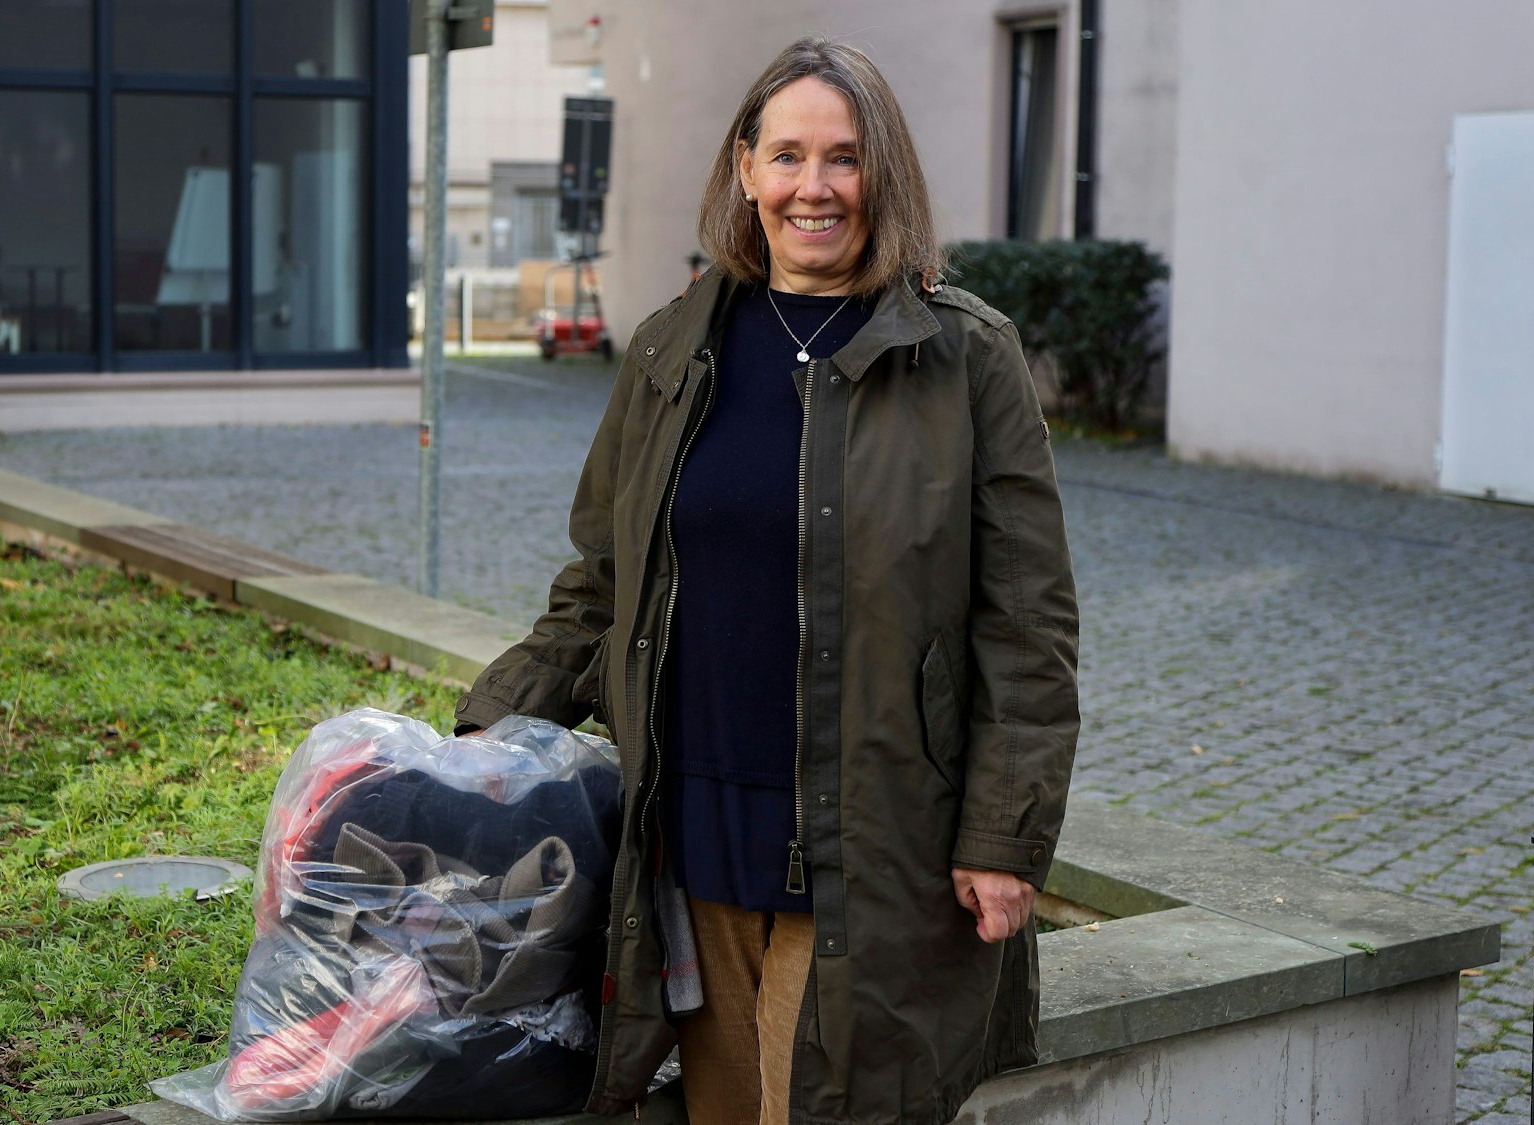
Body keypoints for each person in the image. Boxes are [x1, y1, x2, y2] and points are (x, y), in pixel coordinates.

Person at [454, 37, 1079, 1125]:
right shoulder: (669, 351)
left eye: (842, 158)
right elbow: (604, 582)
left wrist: (1003, 834)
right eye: (785, 155)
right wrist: (485, 734)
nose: (813, 187)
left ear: (880, 173)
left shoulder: (961, 358)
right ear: (743, 170)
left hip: (873, 851)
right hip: (691, 842)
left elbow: (1025, 622)